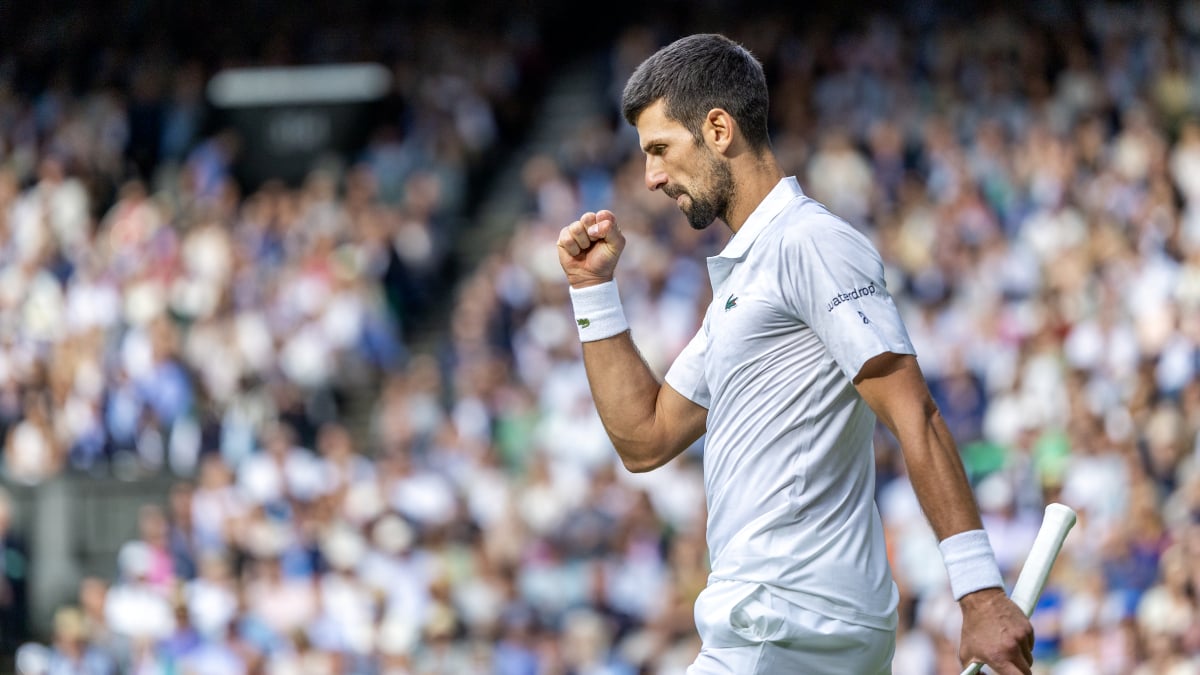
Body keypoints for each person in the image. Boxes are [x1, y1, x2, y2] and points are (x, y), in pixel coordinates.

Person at [555, 33, 1034, 674]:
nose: (652, 178)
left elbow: (912, 411)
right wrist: (593, 293)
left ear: (719, 129)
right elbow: (644, 438)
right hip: (803, 622)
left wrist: (980, 593)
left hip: (781, 619)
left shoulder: (809, 243)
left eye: (660, 149)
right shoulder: (749, 278)